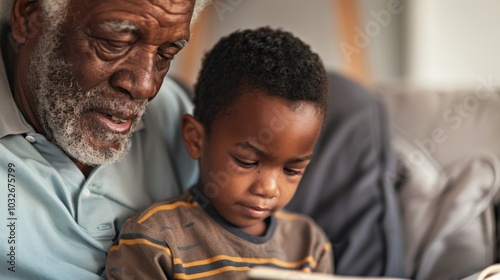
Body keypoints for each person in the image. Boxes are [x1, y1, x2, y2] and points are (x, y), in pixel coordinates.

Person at [0, 0, 209, 279]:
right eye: (115, 42)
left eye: (166, 53)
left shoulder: (171, 115)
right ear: (29, 17)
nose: (146, 85)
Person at [105, 27, 333, 279]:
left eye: (292, 170)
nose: (268, 188)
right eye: (246, 162)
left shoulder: (310, 246)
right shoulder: (155, 239)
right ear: (196, 139)